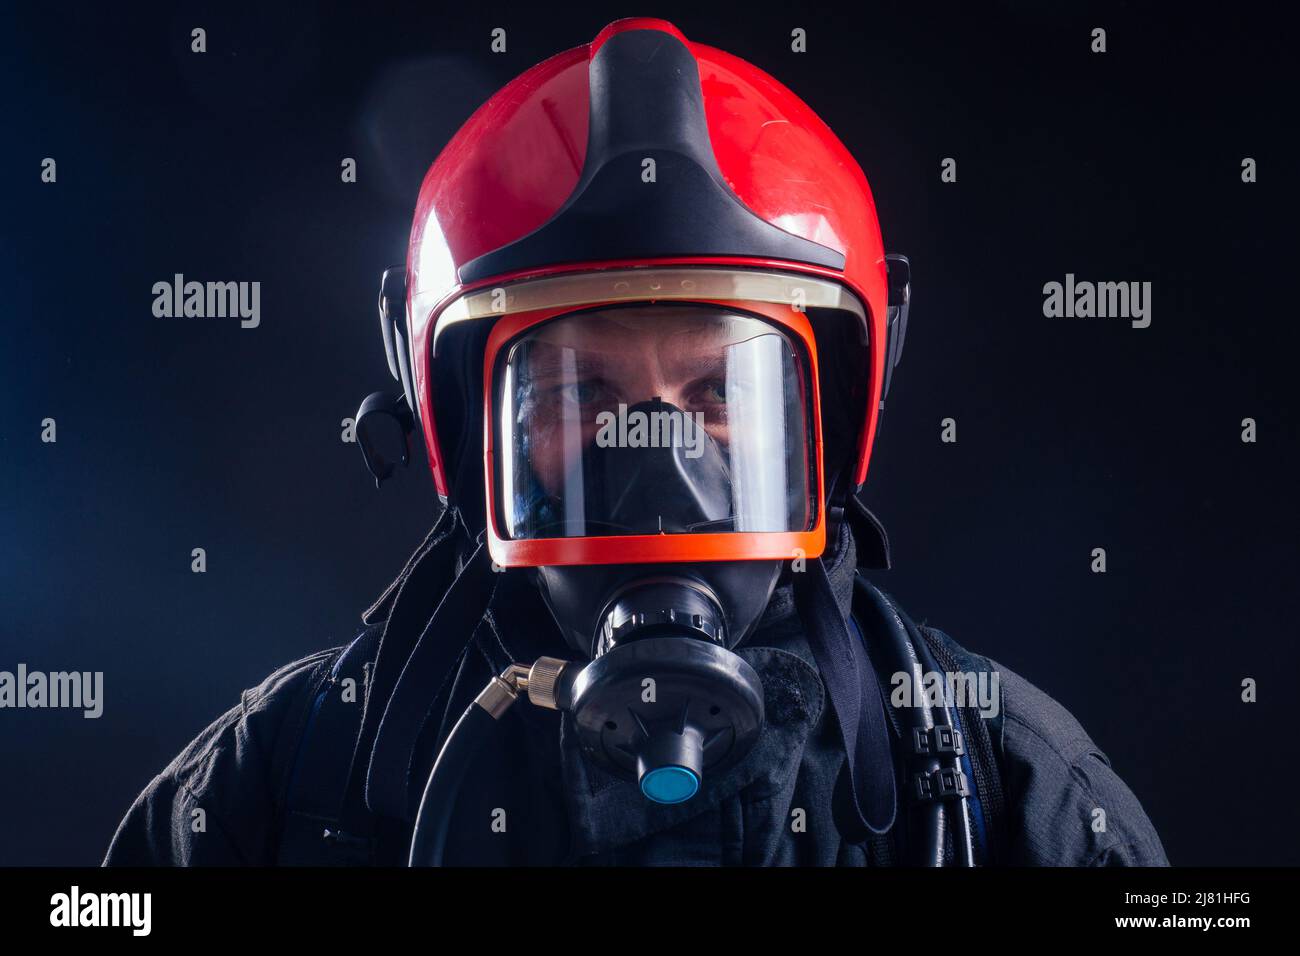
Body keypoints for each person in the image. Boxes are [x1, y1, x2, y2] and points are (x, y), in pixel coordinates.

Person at [104, 18, 1167, 867]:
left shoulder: (1011, 789)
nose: (655, 453)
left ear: (832, 413)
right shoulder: (279, 784)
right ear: (466, 419)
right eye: (579, 391)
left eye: (715, 388)